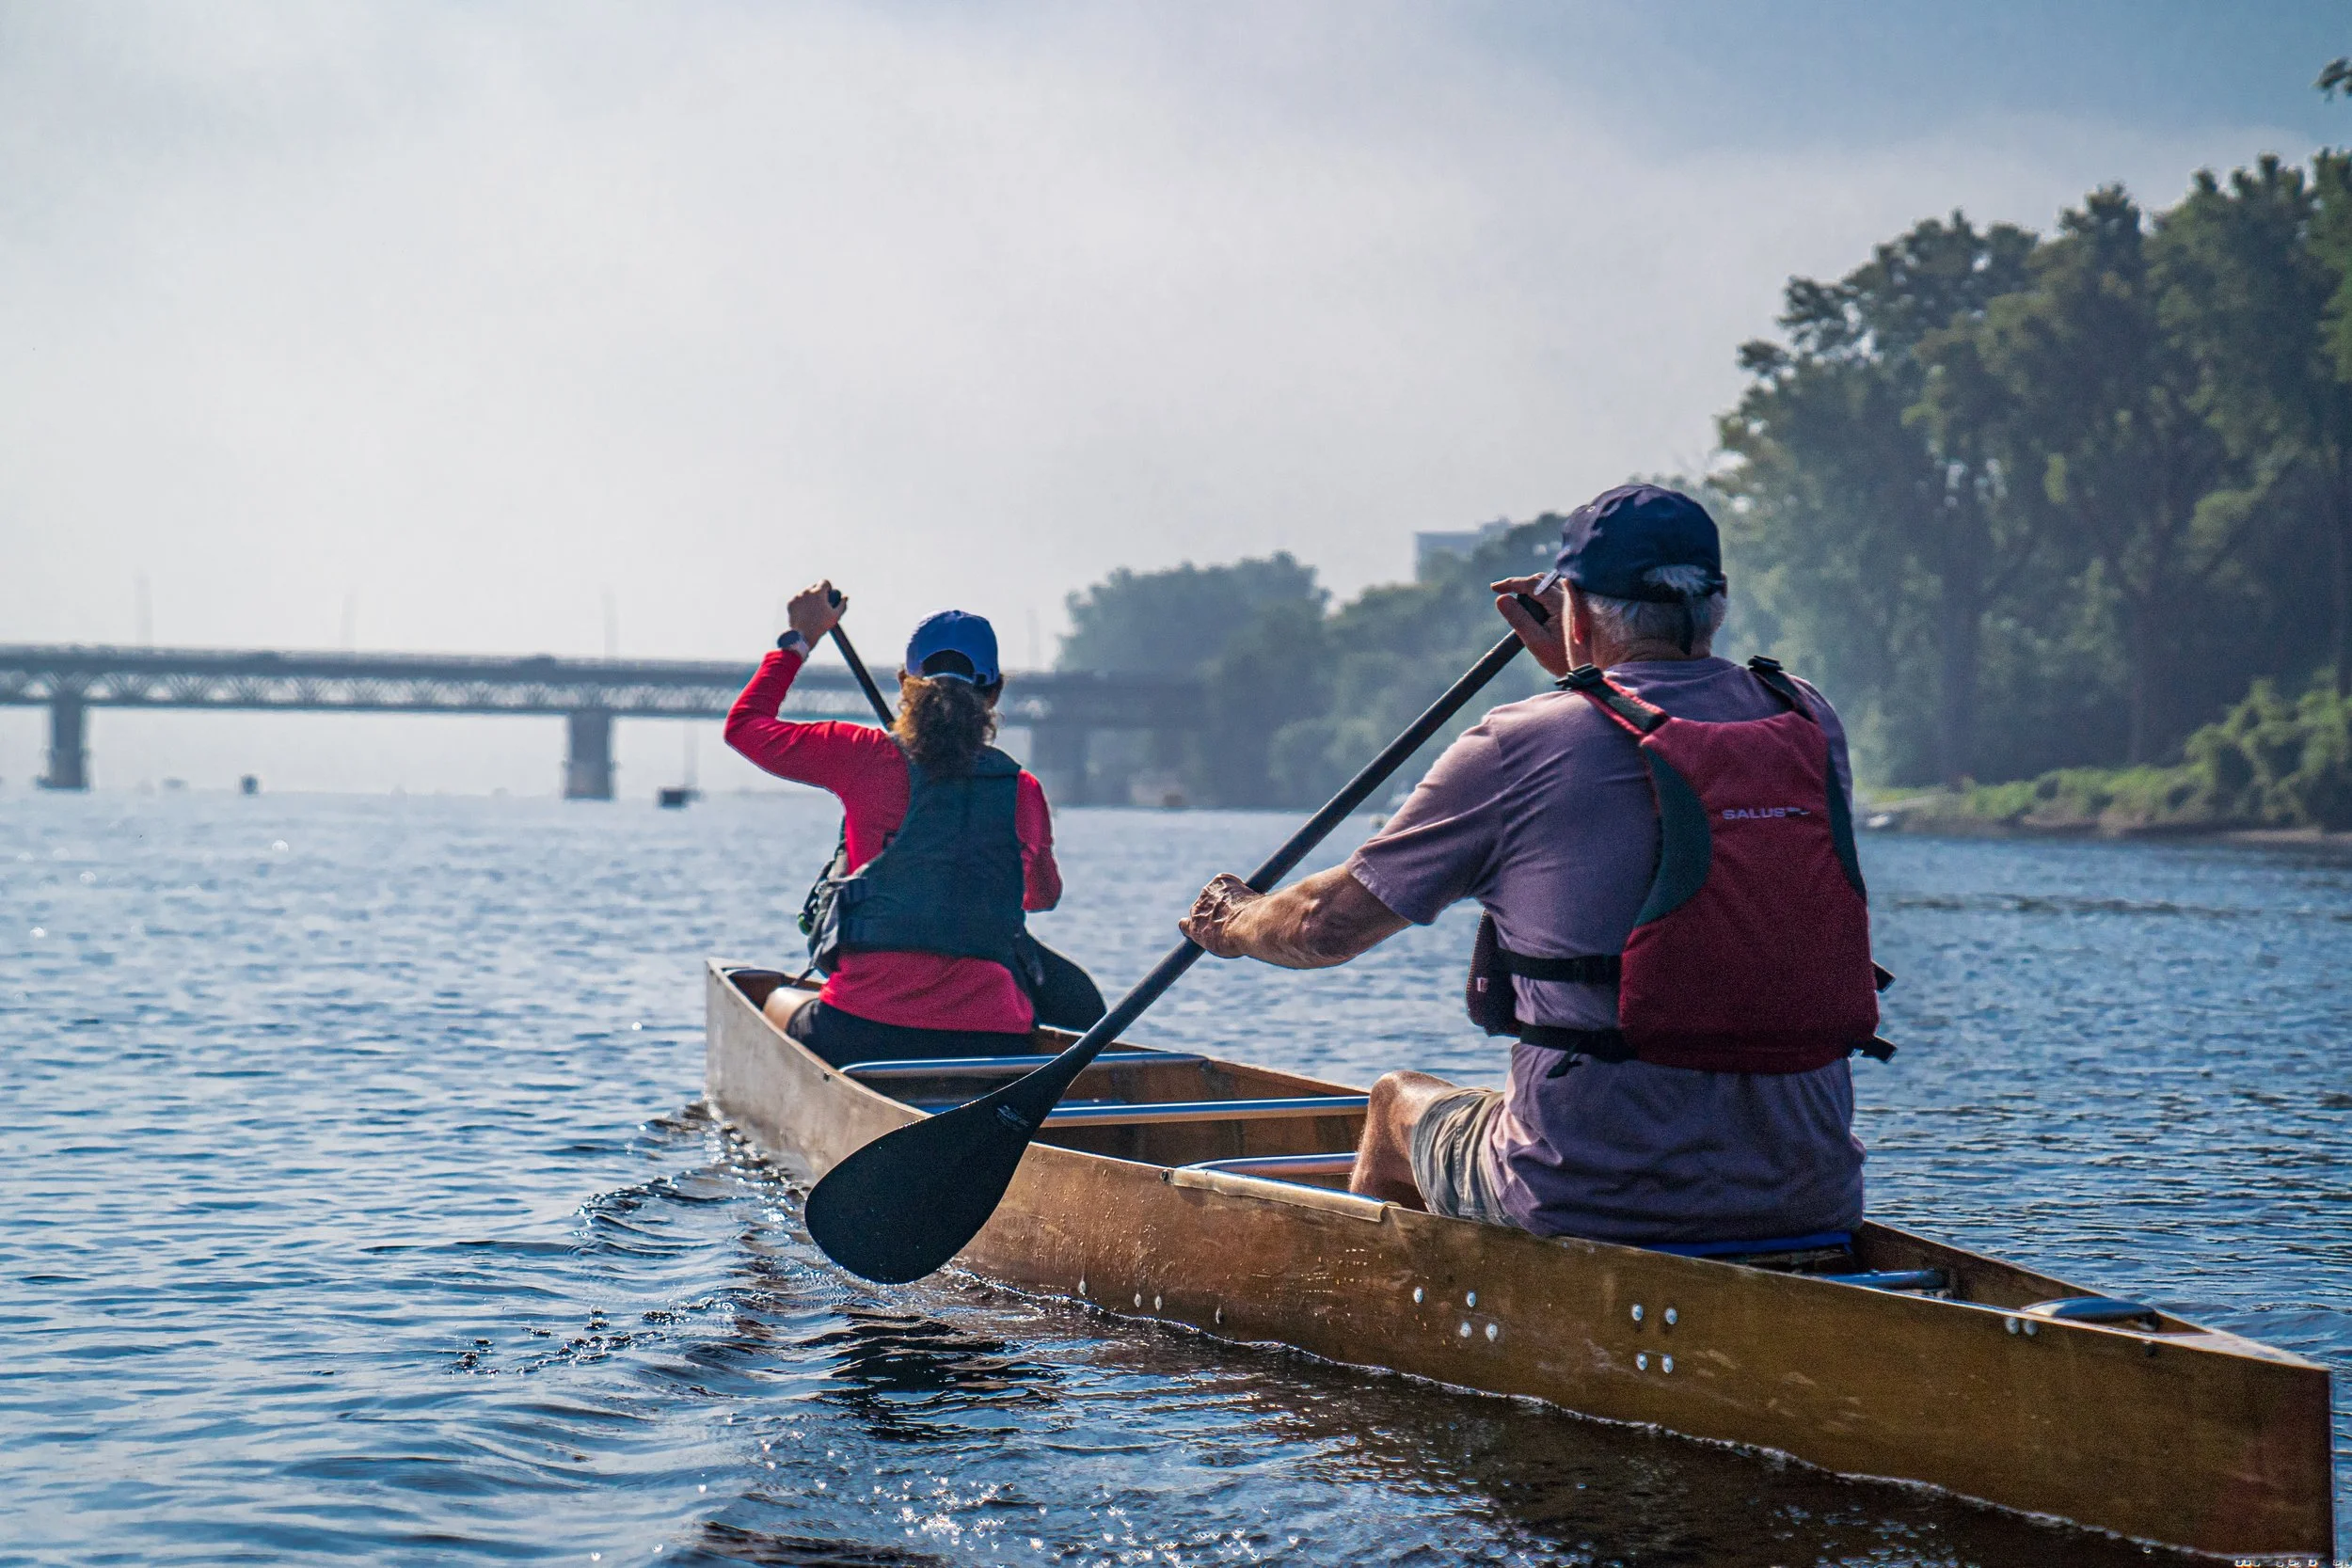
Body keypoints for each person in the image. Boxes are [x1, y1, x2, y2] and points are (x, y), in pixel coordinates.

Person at [1178, 484, 1884, 1246]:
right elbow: (1650, 730)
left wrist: (1238, 918)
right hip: (1808, 1189)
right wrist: (1582, 666)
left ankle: (1386, 1329)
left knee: (1393, 1106)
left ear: (1573, 606)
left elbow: (1324, 927)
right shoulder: (1807, 718)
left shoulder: (1519, 744)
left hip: (1584, 1193)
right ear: (1717, 604)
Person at [725, 582, 1064, 1067]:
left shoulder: (862, 756)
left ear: (906, 685)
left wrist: (799, 638)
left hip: (864, 1028)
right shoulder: (1021, 788)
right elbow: (1041, 897)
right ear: (994, 694)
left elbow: (746, 727)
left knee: (779, 1002)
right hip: (994, 1041)